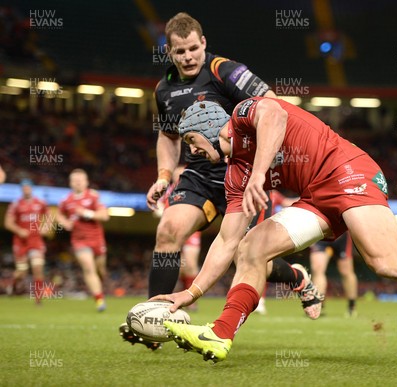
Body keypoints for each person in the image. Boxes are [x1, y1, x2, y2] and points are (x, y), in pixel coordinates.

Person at [152, 98, 397, 367]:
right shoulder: (235, 175)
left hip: (349, 171)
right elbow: (226, 240)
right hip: (316, 196)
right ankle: (221, 333)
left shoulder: (245, 114)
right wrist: (191, 293)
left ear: (211, 127)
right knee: (250, 247)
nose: (194, 151)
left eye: (193, 141)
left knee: (384, 261)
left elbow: (276, 116)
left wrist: (260, 173)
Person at [120, 12, 323, 350]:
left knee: (248, 255)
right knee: (168, 231)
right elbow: (168, 137)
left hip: (241, 171)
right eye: (179, 51)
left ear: (203, 44)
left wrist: (249, 158)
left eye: (193, 49)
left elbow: (271, 105)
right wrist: (164, 175)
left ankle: (297, 277)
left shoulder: (226, 71)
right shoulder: (164, 88)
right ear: (168, 52)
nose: (188, 57)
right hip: (200, 173)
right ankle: (155, 317)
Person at [56, 169, 110, 312]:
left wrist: (86, 213)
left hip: (97, 239)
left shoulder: (93, 197)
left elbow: (105, 216)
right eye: (75, 180)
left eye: (81, 180)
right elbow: (59, 215)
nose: (78, 183)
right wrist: (64, 223)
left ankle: (100, 288)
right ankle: (99, 300)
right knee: (88, 267)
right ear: (71, 183)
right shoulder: (66, 200)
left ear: (86, 182)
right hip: (79, 241)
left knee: (100, 270)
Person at [153, 165, 202, 311]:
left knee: (191, 264)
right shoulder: (168, 191)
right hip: (172, 232)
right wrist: (160, 211)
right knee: (178, 267)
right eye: (177, 175)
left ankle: (192, 299)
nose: (180, 177)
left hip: (191, 231)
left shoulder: (194, 189)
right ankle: (178, 296)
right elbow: (157, 207)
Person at [4, 179, 49, 304]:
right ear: (21, 189)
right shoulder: (16, 204)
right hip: (21, 241)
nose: (26, 189)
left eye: (28, 187)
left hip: (35, 240)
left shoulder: (40, 203)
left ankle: (38, 299)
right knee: (22, 272)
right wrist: (19, 230)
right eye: (24, 187)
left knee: (37, 267)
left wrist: (45, 227)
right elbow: (8, 223)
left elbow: (49, 217)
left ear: (32, 188)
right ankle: (13, 285)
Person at [310, 232, 358, 317]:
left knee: (346, 271)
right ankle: (319, 305)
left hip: (341, 234)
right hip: (321, 233)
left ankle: (351, 306)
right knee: (317, 269)